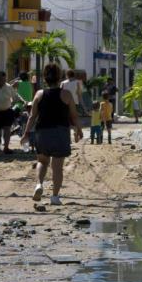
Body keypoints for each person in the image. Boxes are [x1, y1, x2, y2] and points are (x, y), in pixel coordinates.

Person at [21, 63, 83, 205]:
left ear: (45, 78)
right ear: (59, 77)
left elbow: (32, 117)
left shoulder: (39, 94)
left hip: (42, 132)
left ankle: (39, 184)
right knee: (57, 167)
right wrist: (78, 130)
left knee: (42, 161)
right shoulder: (66, 95)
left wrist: (25, 134)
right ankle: (55, 197)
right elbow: (74, 116)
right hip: (60, 132)